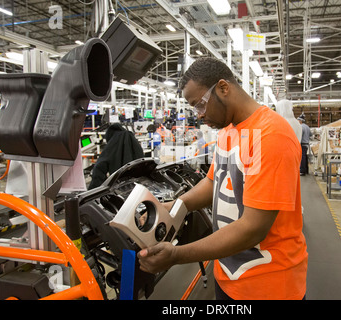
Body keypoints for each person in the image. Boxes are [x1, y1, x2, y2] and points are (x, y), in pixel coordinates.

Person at [137, 57, 308, 300]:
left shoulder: (271, 136)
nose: (199, 115)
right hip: (230, 275)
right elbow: (212, 182)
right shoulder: (229, 132)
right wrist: (175, 207)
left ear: (223, 88)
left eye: (200, 105)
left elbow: (253, 229)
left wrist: (177, 255)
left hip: (269, 285)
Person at [88, 123, 144, 189]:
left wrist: (96, 190)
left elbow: (99, 167)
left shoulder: (111, 145)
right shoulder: (132, 139)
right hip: (138, 186)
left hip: (118, 186)